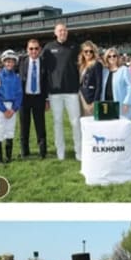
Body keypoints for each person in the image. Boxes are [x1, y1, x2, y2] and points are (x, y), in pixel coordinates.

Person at [41, 21, 81, 160]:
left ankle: (79, 152)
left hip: (72, 92)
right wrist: (46, 96)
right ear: (55, 32)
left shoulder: (74, 47)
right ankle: (60, 153)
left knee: (75, 122)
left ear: (67, 32)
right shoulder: (48, 48)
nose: (63, 32)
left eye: (65, 30)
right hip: (55, 93)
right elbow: (44, 72)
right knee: (57, 122)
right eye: (60, 30)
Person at [0, 49, 23, 164]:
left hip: (12, 107)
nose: (9, 64)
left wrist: (13, 109)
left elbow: (19, 94)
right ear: (3, 62)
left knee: (10, 131)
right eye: (7, 61)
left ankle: (8, 157)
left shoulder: (16, 78)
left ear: (14, 63)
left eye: (11, 61)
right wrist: (3, 109)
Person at [18, 37, 47, 158]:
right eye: (31, 49)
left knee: (40, 125)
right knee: (24, 126)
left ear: (39, 49)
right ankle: (24, 151)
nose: (34, 51)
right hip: (24, 98)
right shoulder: (21, 61)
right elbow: (7, 67)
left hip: (39, 98)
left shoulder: (44, 62)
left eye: (36, 48)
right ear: (27, 49)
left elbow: (47, 82)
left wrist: (47, 99)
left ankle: (42, 151)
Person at [101, 47, 131, 119]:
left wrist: (127, 103)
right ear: (106, 58)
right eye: (109, 56)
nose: (112, 58)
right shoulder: (104, 71)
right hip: (106, 103)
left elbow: (130, 87)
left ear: (117, 57)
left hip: (120, 103)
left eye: (114, 56)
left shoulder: (124, 70)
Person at [78, 41, 102, 116]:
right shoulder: (81, 65)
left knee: (90, 121)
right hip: (80, 95)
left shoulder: (97, 64)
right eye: (86, 51)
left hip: (90, 98)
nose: (88, 53)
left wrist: (95, 101)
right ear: (82, 52)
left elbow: (99, 84)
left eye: (91, 51)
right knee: (81, 121)